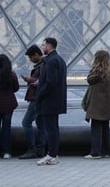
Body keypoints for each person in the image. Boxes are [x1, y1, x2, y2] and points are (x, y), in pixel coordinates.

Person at [35, 36, 67, 166]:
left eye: (43, 45)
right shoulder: (59, 60)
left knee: (50, 129)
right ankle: (53, 153)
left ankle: (52, 155)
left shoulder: (51, 61)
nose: (42, 48)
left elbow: (50, 82)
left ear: (49, 45)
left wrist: (40, 94)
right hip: (56, 100)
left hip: (50, 100)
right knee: (53, 128)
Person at [83, 50, 110, 160]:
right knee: (105, 129)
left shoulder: (97, 72)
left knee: (96, 129)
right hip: (107, 106)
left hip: (97, 106)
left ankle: (95, 152)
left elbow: (89, 79)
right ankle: (106, 151)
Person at [18, 44, 45, 159]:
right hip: (39, 98)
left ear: (37, 54)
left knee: (26, 122)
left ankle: (32, 149)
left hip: (36, 98)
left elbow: (42, 80)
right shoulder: (42, 64)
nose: (30, 59)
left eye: (31, 57)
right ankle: (40, 149)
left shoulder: (43, 65)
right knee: (40, 124)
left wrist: (30, 80)